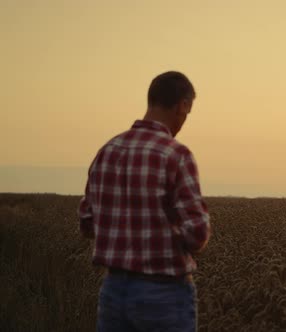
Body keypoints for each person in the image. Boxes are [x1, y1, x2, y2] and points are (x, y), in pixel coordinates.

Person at [78, 71, 211, 332]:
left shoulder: (108, 151)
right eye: (188, 112)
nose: (184, 120)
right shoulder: (176, 155)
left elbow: (86, 222)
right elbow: (197, 234)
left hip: (113, 291)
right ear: (182, 105)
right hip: (165, 295)